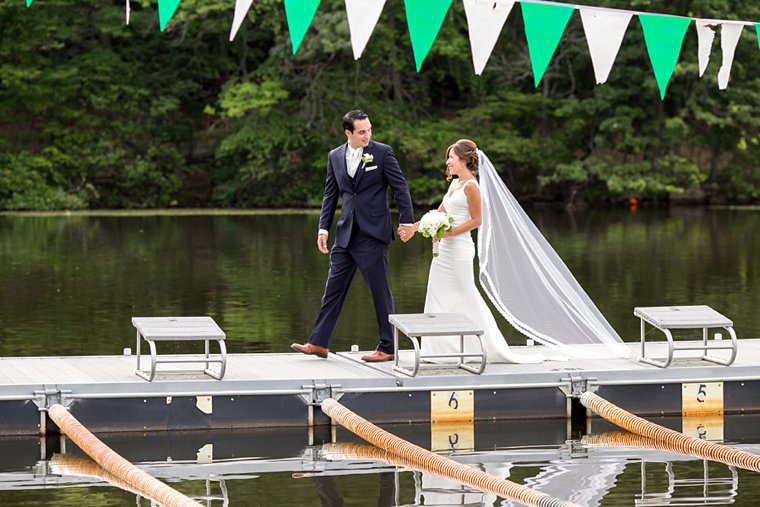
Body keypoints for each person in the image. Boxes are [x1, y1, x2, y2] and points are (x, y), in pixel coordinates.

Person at [400, 139, 544, 363]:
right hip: (443, 250)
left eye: (451, 157)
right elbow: (437, 213)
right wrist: (415, 228)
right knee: (437, 293)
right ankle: (438, 349)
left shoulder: (471, 186)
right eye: (448, 157)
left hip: (459, 249)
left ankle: (487, 345)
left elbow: (477, 220)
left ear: (464, 160)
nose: (447, 161)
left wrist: (450, 232)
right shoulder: (454, 184)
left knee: (465, 294)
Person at [291, 110, 415, 362]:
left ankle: (388, 347)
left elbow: (399, 187)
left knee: (379, 291)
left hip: (373, 233)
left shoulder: (382, 152)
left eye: (369, 129)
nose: (368, 135)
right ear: (348, 133)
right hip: (345, 233)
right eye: (362, 132)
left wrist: (407, 221)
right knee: (332, 289)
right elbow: (330, 194)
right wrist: (323, 228)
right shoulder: (334, 156)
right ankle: (319, 342)